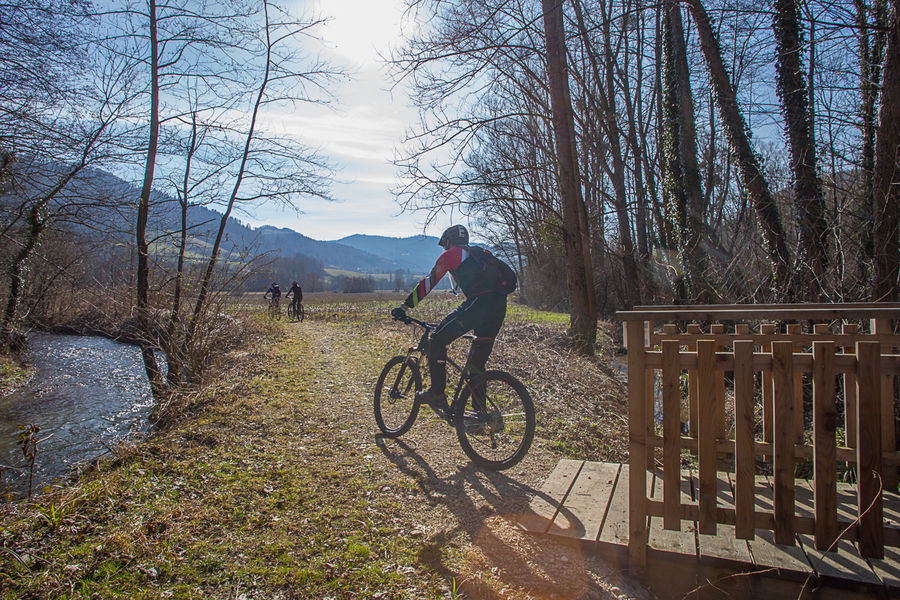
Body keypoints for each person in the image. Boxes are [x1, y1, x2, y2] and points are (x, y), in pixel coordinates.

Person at [391, 225, 510, 414]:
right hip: (498, 307)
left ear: (448, 241)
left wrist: (404, 307)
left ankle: (437, 393)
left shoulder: (451, 255)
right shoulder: (477, 255)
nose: (444, 249)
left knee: (437, 340)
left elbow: (428, 283)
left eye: (444, 245)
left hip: (478, 304)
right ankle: (480, 415)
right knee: (475, 363)